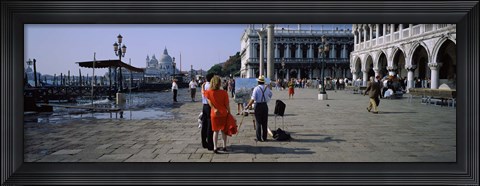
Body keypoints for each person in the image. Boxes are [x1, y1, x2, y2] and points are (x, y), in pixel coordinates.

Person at [204, 75, 231, 153]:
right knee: (223, 131)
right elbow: (227, 105)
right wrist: (229, 113)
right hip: (223, 113)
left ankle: (215, 147)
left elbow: (208, 100)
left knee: (215, 131)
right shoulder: (224, 93)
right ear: (219, 83)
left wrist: (213, 108)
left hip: (214, 114)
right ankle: (224, 146)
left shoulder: (209, 92)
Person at [246, 75, 273, 142]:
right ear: (263, 82)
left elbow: (253, 99)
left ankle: (259, 138)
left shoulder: (256, 88)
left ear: (258, 82)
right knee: (264, 122)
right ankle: (264, 137)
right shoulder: (267, 88)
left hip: (258, 105)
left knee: (258, 122)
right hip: (265, 105)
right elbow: (270, 95)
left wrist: (247, 106)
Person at [201, 73, 215, 151]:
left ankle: (204, 142)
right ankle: (210, 144)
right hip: (210, 106)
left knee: (204, 125)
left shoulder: (204, 85)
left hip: (204, 106)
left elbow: (202, 93)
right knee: (210, 126)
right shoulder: (211, 86)